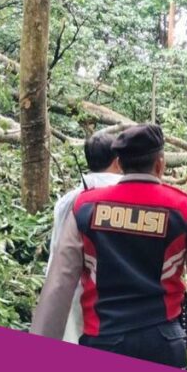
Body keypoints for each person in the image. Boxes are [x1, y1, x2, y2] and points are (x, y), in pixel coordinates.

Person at [32, 124, 187, 372]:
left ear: (120, 162)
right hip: (163, 344)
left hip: (103, 340)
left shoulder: (85, 207)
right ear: (159, 164)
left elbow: (59, 284)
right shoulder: (184, 209)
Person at [46, 131, 123, 344]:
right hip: (115, 298)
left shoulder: (67, 201)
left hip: (71, 290)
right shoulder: (127, 198)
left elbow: (56, 249)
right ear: (118, 161)